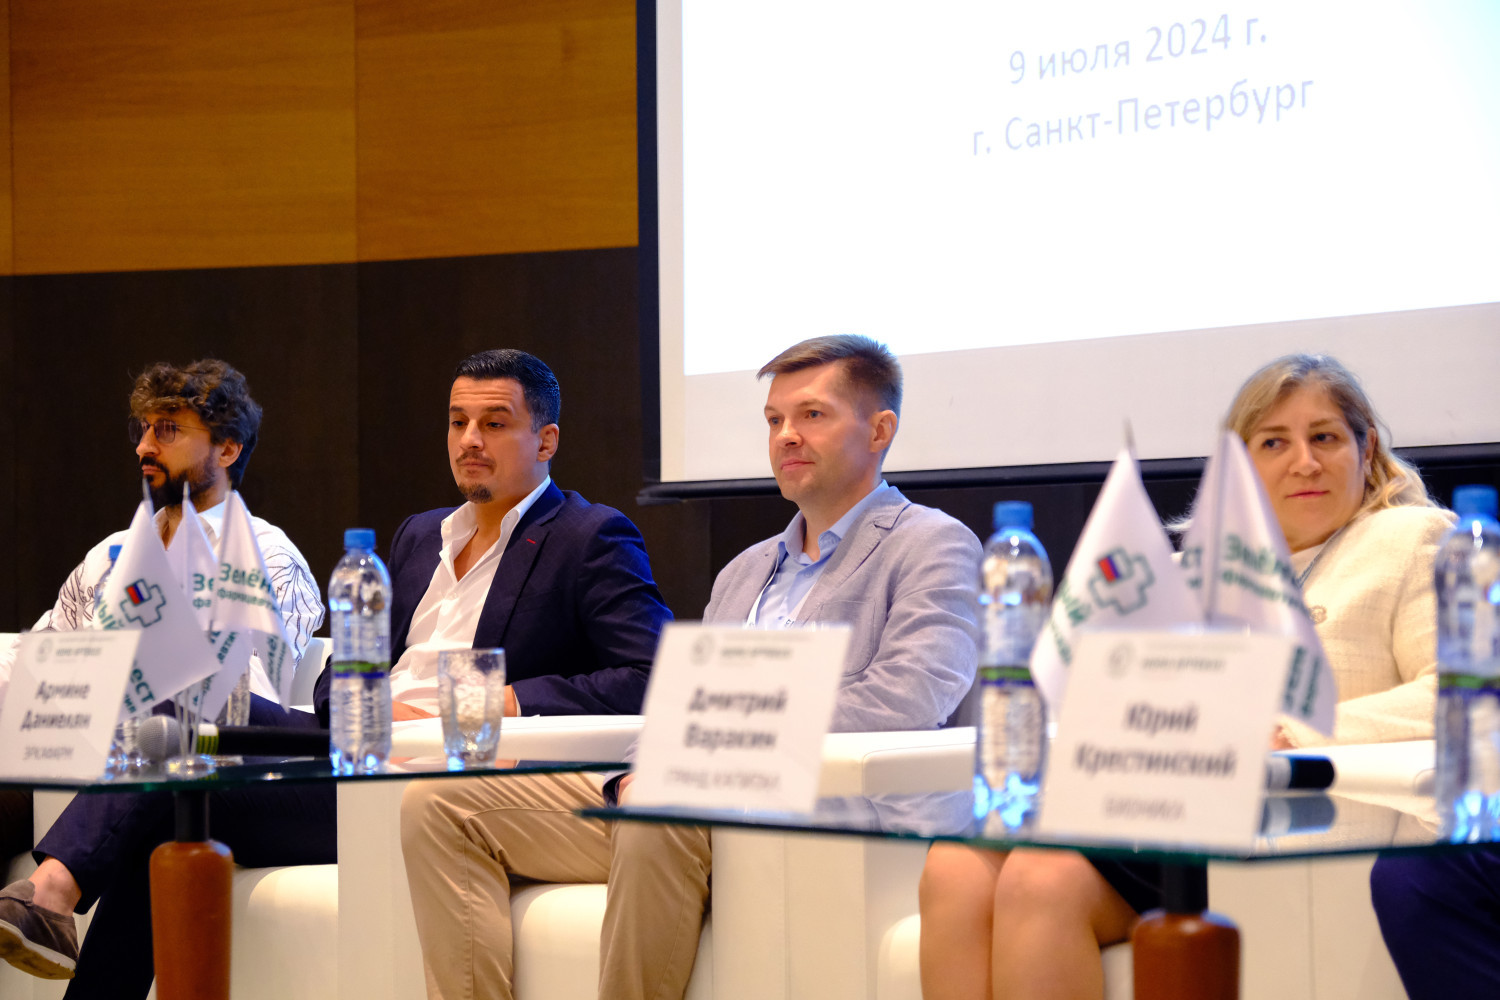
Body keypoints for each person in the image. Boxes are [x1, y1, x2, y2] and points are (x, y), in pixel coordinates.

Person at [400, 334, 982, 1000]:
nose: (786, 435)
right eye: (774, 420)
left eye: (812, 415)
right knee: (441, 804)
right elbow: (681, 702)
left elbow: (908, 698)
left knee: (661, 804)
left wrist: (721, 749)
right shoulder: (746, 571)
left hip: (834, 807)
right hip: (700, 801)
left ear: (880, 431)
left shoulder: (931, 544)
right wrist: (639, 768)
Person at [919, 352, 1453, 1000]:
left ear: (1365, 451)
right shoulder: (1186, 571)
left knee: (1042, 878)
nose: (1304, 463)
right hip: (1160, 813)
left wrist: (1296, 733)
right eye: (1274, 443)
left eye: (1325, 438)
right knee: (955, 865)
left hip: (1287, 822)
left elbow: (1461, 691)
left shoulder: (1410, 538)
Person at [0, 359, 326, 993]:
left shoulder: (266, 556)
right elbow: (39, 664)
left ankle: (51, 890)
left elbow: (236, 702)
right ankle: (47, 898)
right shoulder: (111, 555)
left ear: (227, 449)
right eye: (143, 428)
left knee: (173, 724)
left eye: (169, 429)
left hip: (226, 763)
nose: (145, 446)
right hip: (91, 759)